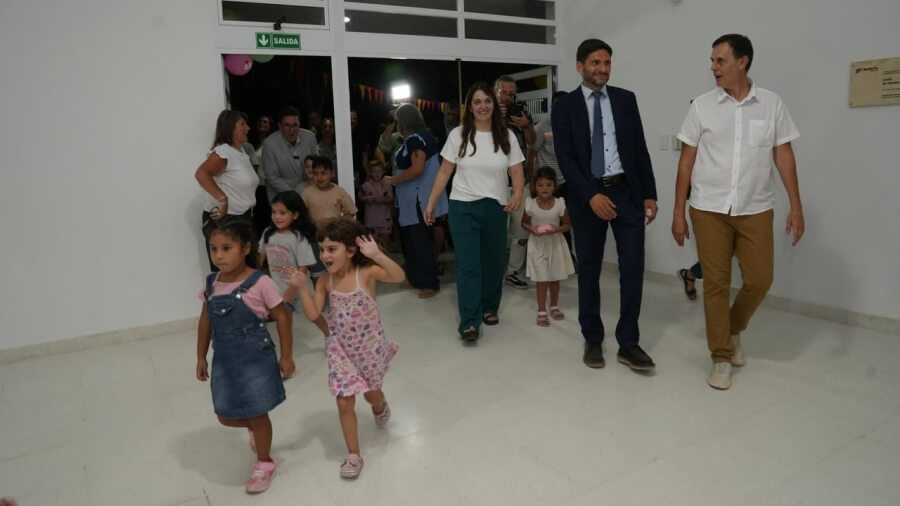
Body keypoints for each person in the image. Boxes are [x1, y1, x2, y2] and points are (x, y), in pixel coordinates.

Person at [672, 33, 804, 390]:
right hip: (708, 208)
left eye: (720, 61)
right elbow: (686, 163)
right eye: (712, 61)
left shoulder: (772, 104)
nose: (713, 68)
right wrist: (678, 211)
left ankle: (732, 329)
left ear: (742, 62)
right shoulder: (701, 106)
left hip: (756, 207)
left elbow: (784, 156)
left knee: (760, 280)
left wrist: (796, 205)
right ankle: (721, 356)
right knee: (715, 283)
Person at [552, 39, 659, 372]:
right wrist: (590, 195)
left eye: (607, 62)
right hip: (588, 197)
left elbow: (639, 149)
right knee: (590, 270)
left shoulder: (626, 100)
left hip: (626, 193)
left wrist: (649, 193)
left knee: (632, 269)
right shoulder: (565, 106)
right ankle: (593, 337)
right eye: (595, 62)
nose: (602, 69)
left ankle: (628, 343)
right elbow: (566, 159)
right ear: (580, 66)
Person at [289, 219, 403, 479]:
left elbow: (399, 277)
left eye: (332, 249)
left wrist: (376, 255)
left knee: (371, 395)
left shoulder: (365, 274)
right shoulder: (324, 282)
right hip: (341, 352)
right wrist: (303, 288)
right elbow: (313, 313)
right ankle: (353, 454)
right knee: (343, 401)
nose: (325, 255)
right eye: (322, 250)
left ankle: (380, 403)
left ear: (350, 251)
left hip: (369, 350)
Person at [195, 217, 295, 494]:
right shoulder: (211, 283)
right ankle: (254, 427)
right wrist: (201, 356)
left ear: (245, 248)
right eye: (214, 249)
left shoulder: (260, 282)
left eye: (226, 248)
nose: (219, 256)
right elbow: (205, 321)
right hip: (224, 359)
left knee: (258, 411)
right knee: (225, 415)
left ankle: (264, 462)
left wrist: (286, 355)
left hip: (256, 358)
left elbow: (282, 317)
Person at [424, 82, 525, 342]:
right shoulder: (458, 135)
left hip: (496, 207)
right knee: (469, 266)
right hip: (463, 207)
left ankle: (490, 307)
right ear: (469, 107)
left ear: (494, 104)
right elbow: (445, 171)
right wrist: (431, 202)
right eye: (477, 102)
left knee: (492, 263)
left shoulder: (507, 136)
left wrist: (516, 194)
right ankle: (470, 321)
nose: (483, 106)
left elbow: (516, 171)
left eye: (487, 101)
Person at [384, 103, 449, 299]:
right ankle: (414, 277)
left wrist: (393, 180)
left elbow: (418, 168)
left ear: (404, 121)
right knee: (411, 242)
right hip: (409, 202)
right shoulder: (418, 138)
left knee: (420, 242)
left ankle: (430, 282)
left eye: (397, 121)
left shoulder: (416, 139)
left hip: (418, 200)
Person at [258, 191, 329, 336]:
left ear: (295, 215)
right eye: (274, 212)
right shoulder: (267, 233)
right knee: (284, 321)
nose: (277, 216)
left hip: (300, 290)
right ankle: (287, 350)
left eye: (282, 213)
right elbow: (260, 256)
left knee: (313, 316)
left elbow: (302, 268)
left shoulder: (298, 238)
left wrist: (291, 290)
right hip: (279, 290)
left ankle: (329, 335)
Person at [195, 110, 258, 271]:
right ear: (230, 127)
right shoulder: (224, 152)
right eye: (242, 124)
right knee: (229, 274)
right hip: (225, 221)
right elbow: (201, 174)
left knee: (246, 272)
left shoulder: (241, 153)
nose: (248, 128)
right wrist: (222, 199)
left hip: (243, 218)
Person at [495, 75, 536, 290]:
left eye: (512, 93)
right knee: (495, 232)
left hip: (521, 182)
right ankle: (493, 271)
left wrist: (527, 125)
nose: (509, 98)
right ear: (495, 93)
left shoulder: (521, 113)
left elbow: (533, 143)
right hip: (495, 183)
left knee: (522, 229)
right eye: (505, 93)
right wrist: (496, 118)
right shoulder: (485, 113)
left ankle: (512, 271)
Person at [521, 167, 575, 326]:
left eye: (548, 185)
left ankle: (554, 306)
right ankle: (541, 310)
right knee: (542, 278)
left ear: (554, 186)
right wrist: (532, 229)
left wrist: (557, 229)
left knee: (555, 278)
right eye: (540, 185)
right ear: (535, 186)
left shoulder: (560, 204)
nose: (544, 188)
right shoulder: (530, 204)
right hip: (537, 245)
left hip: (555, 244)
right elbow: (524, 222)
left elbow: (567, 224)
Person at [262, 106, 318, 203]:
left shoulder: (310, 137)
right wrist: (296, 195)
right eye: (287, 125)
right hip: (282, 201)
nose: (291, 130)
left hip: (310, 198)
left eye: (295, 125)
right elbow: (272, 177)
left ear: (299, 123)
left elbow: (317, 166)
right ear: (279, 126)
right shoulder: (269, 144)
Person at [301, 156, 358, 229]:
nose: (319, 177)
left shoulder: (339, 191)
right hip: (314, 233)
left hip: (336, 233)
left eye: (323, 173)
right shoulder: (307, 193)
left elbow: (351, 212)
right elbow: (300, 213)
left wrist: (338, 222)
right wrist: (314, 223)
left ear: (332, 173)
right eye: (315, 173)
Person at [360, 159, 393, 245]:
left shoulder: (387, 184)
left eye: (379, 171)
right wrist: (367, 199)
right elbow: (360, 197)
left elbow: (391, 199)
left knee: (385, 242)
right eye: (374, 171)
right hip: (371, 220)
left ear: (383, 172)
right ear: (370, 172)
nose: (377, 173)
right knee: (373, 243)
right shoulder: (366, 185)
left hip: (385, 219)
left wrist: (381, 200)